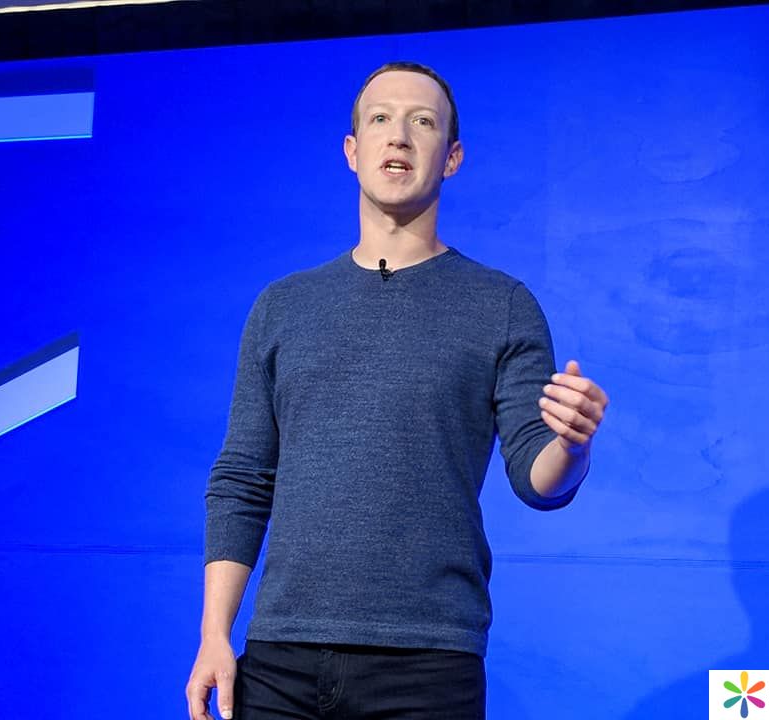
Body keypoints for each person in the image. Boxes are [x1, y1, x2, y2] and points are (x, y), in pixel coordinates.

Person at [185, 61, 609, 720]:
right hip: (280, 660)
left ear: (453, 158)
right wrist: (215, 634)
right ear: (352, 151)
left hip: (427, 666)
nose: (400, 136)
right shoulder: (283, 306)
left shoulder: (501, 305)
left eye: (423, 122)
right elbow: (243, 477)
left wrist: (572, 445)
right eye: (380, 118)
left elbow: (539, 480)